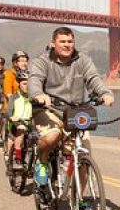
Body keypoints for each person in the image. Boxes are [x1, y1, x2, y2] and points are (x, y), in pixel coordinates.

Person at [27, 26, 114, 187]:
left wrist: (104, 93)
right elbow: (35, 80)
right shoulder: (42, 61)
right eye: (62, 41)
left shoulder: (83, 60)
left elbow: (93, 78)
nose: (67, 45)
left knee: (84, 157)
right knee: (52, 136)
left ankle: (79, 201)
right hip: (49, 109)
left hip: (75, 113)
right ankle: (42, 162)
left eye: (70, 41)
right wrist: (39, 94)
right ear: (53, 43)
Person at [5, 70, 32, 170]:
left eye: (29, 84)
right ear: (19, 84)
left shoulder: (33, 98)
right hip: (16, 124)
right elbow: (8, 112)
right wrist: (12, 117)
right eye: (24, 83)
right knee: (20, 132)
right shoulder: (14, 98)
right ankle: (17, 159)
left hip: (30, 124)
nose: (27, 86)